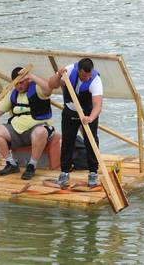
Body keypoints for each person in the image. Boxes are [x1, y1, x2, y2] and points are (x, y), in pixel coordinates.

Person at [0, 67, 55, 179]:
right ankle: (11, 164)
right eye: (16, 84)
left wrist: (31, 76)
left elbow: (49, 88)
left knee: (40, 132)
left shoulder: (37, 89)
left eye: (22, 83)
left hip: (39, 129)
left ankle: (31, 166)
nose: (19, 86)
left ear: (27, 80)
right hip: (17, 131)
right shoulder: (13, 94)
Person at [48, 58, 103, 188]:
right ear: (79, 71)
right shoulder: (69, 70)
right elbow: (52, 84)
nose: (86, 78)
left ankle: (93, 173)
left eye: (88, 76)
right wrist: (58, 75)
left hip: (88, 113)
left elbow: (98, 106)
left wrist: (90, 118)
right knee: (67, 141)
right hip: (70, 111)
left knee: (91, 141)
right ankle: (64, 174)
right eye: (84, 76)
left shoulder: (95, 80)